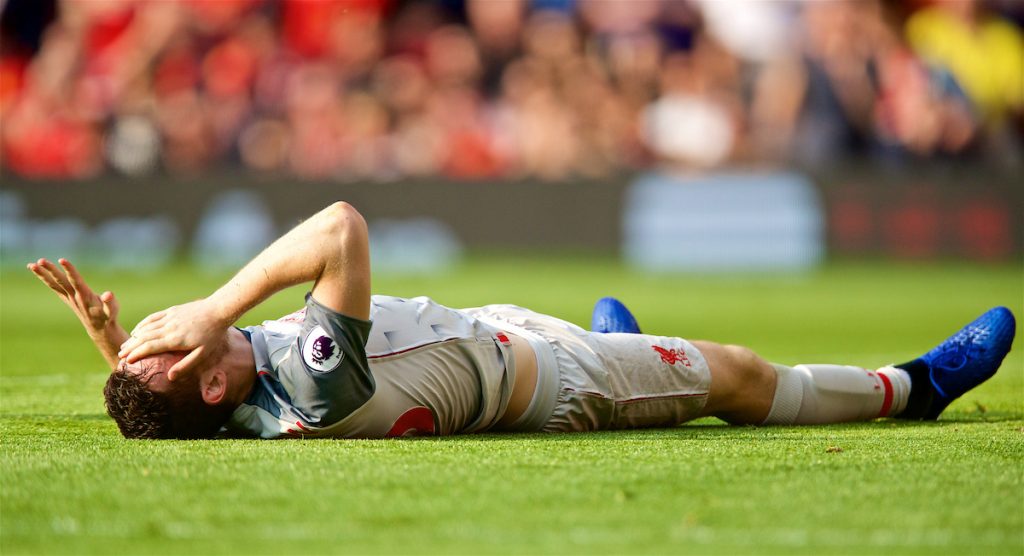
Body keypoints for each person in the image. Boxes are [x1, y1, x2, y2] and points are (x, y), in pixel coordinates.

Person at [28, 202, 1016, 439]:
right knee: (737, 374)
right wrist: (211, 305)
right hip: (554, 379)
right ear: (211, 376)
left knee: (615, 336)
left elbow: (173, 404)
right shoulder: (313, 383)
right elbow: (339, 225)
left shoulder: (227, 401)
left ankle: (626, 333)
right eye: (172, 346)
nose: (168, 328)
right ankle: (911, 386)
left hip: (489, 330)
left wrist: (116, 349)